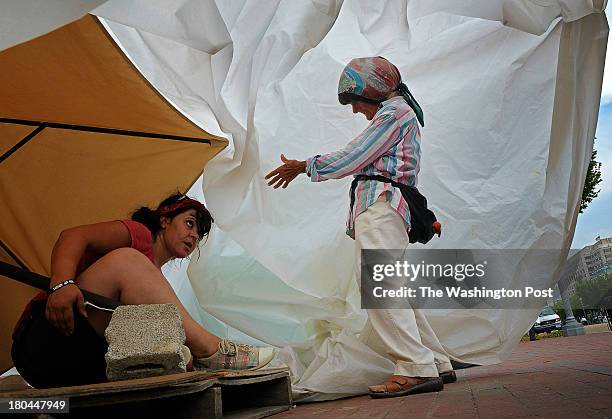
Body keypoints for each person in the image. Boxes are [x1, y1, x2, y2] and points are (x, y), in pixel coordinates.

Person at [265, 57, 454, 398]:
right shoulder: (399, 113)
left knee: (379, 284)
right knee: (393, 287)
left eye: (356, 101)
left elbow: (355, 155)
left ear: (373, 91)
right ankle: (434, 361)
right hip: (389, 206)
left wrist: (304, 166)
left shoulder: (394, 113)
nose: (355, 110)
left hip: (381, 205)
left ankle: (415, 367)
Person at [11, 193, 274, 388]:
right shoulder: (139, 237)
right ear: (164, 220)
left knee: (171, 343)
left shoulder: (150, 282)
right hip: (47, 339)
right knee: (130, 263)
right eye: (190, 223)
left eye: (200, 233)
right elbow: (72, 236)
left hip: (85, 364)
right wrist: (61, 284)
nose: (194, 236)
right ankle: (212, 351)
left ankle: (201, 358)